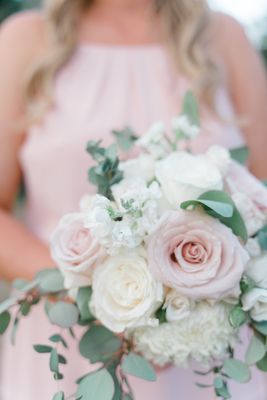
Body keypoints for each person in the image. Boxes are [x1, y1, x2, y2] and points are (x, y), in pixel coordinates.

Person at [0, 0, 267, 399]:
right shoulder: (27, 39)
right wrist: (105, 300)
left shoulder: (223, 37)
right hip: (66, 344)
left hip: (210, 362)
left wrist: (198, 289)